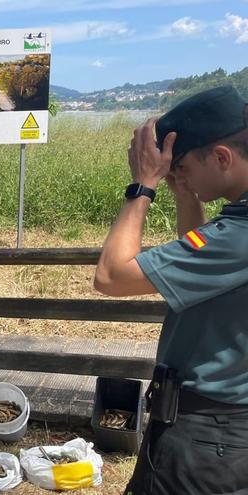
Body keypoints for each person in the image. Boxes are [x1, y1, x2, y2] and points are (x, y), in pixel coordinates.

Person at [94, 86, 248, 494]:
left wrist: (142, 186)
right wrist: (184, 193)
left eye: (182, 165)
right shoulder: (234, 230)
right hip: (223, 433)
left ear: (221, 157)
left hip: (205, 440)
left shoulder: (239, 235)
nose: (178, 174)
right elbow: (203, 258)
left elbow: (111, 276)